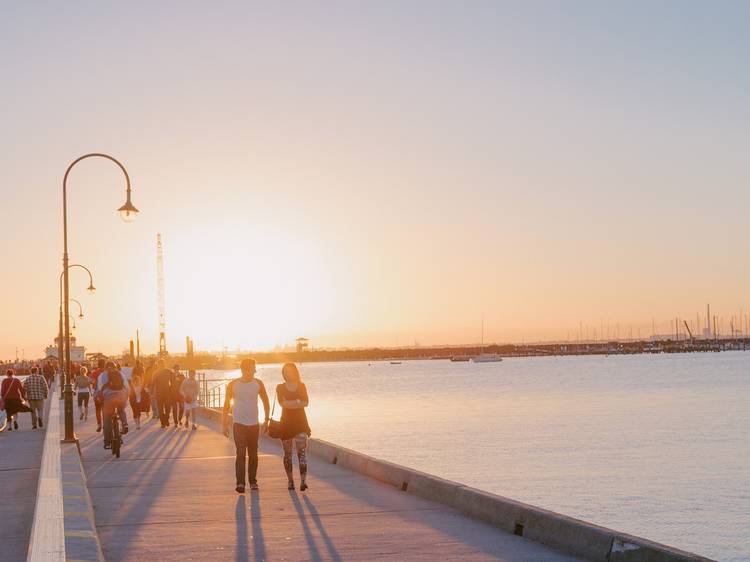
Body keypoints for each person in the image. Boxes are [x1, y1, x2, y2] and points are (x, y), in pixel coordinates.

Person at [222, 359, 270, 493]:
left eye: (254, 369)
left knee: (253, 454)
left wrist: (266, 420)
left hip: (254, 424)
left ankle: (253, 481)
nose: (254, 371)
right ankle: (240, 483)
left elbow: (266, 402)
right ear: (244, 370)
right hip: (239, 424)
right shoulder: (233, 385)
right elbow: (226, 405)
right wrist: (224, 423)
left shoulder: (258, 383)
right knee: (241, 453)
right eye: (251, 369)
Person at [276, 363, 312, 491]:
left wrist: (290, 403)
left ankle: (303, 481)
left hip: (301, 423)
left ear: (295, 372)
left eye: (290, 371)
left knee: (302, 453)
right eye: (285, 371)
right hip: (286, 424)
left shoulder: (301, 386)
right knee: (287, 454)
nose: (288, 373)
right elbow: (282, 404)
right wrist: (297, 402)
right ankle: (290, 481)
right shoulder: (280, 387)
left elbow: (306, 402)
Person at [97, 361, 129, 449]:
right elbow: (127, 387)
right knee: (121, 410)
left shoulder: (102, 376)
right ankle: (125, 424)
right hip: (121, 396)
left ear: (105, 367)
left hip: (108, 399)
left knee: (107, 418)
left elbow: (99, 390)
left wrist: (99, 399)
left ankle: (107, 441)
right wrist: (125, 398)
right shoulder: (120, 374)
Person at [153, 360, 174, 428]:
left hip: (167, 393)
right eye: (159, 364)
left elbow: (173, 381)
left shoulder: (168, 371)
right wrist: (152, 393)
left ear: (164, 364)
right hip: (159, 393)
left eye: (162, 364)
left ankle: (166, 419)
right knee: (160, 409)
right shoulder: (155, 373)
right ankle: (163, 423)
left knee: (168, 408)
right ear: (158, 365)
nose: (161, 366)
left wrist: (171, 389)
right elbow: (153, 384)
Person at [90, 358, 107, 432]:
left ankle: (99, 424)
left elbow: (91, 381)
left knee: (98, 409)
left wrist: (94, 384)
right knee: (105, 410)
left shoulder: (95, 372)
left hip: (97, 393)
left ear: (98, 364)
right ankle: (106, 424)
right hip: (106, 393)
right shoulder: (107, 372)